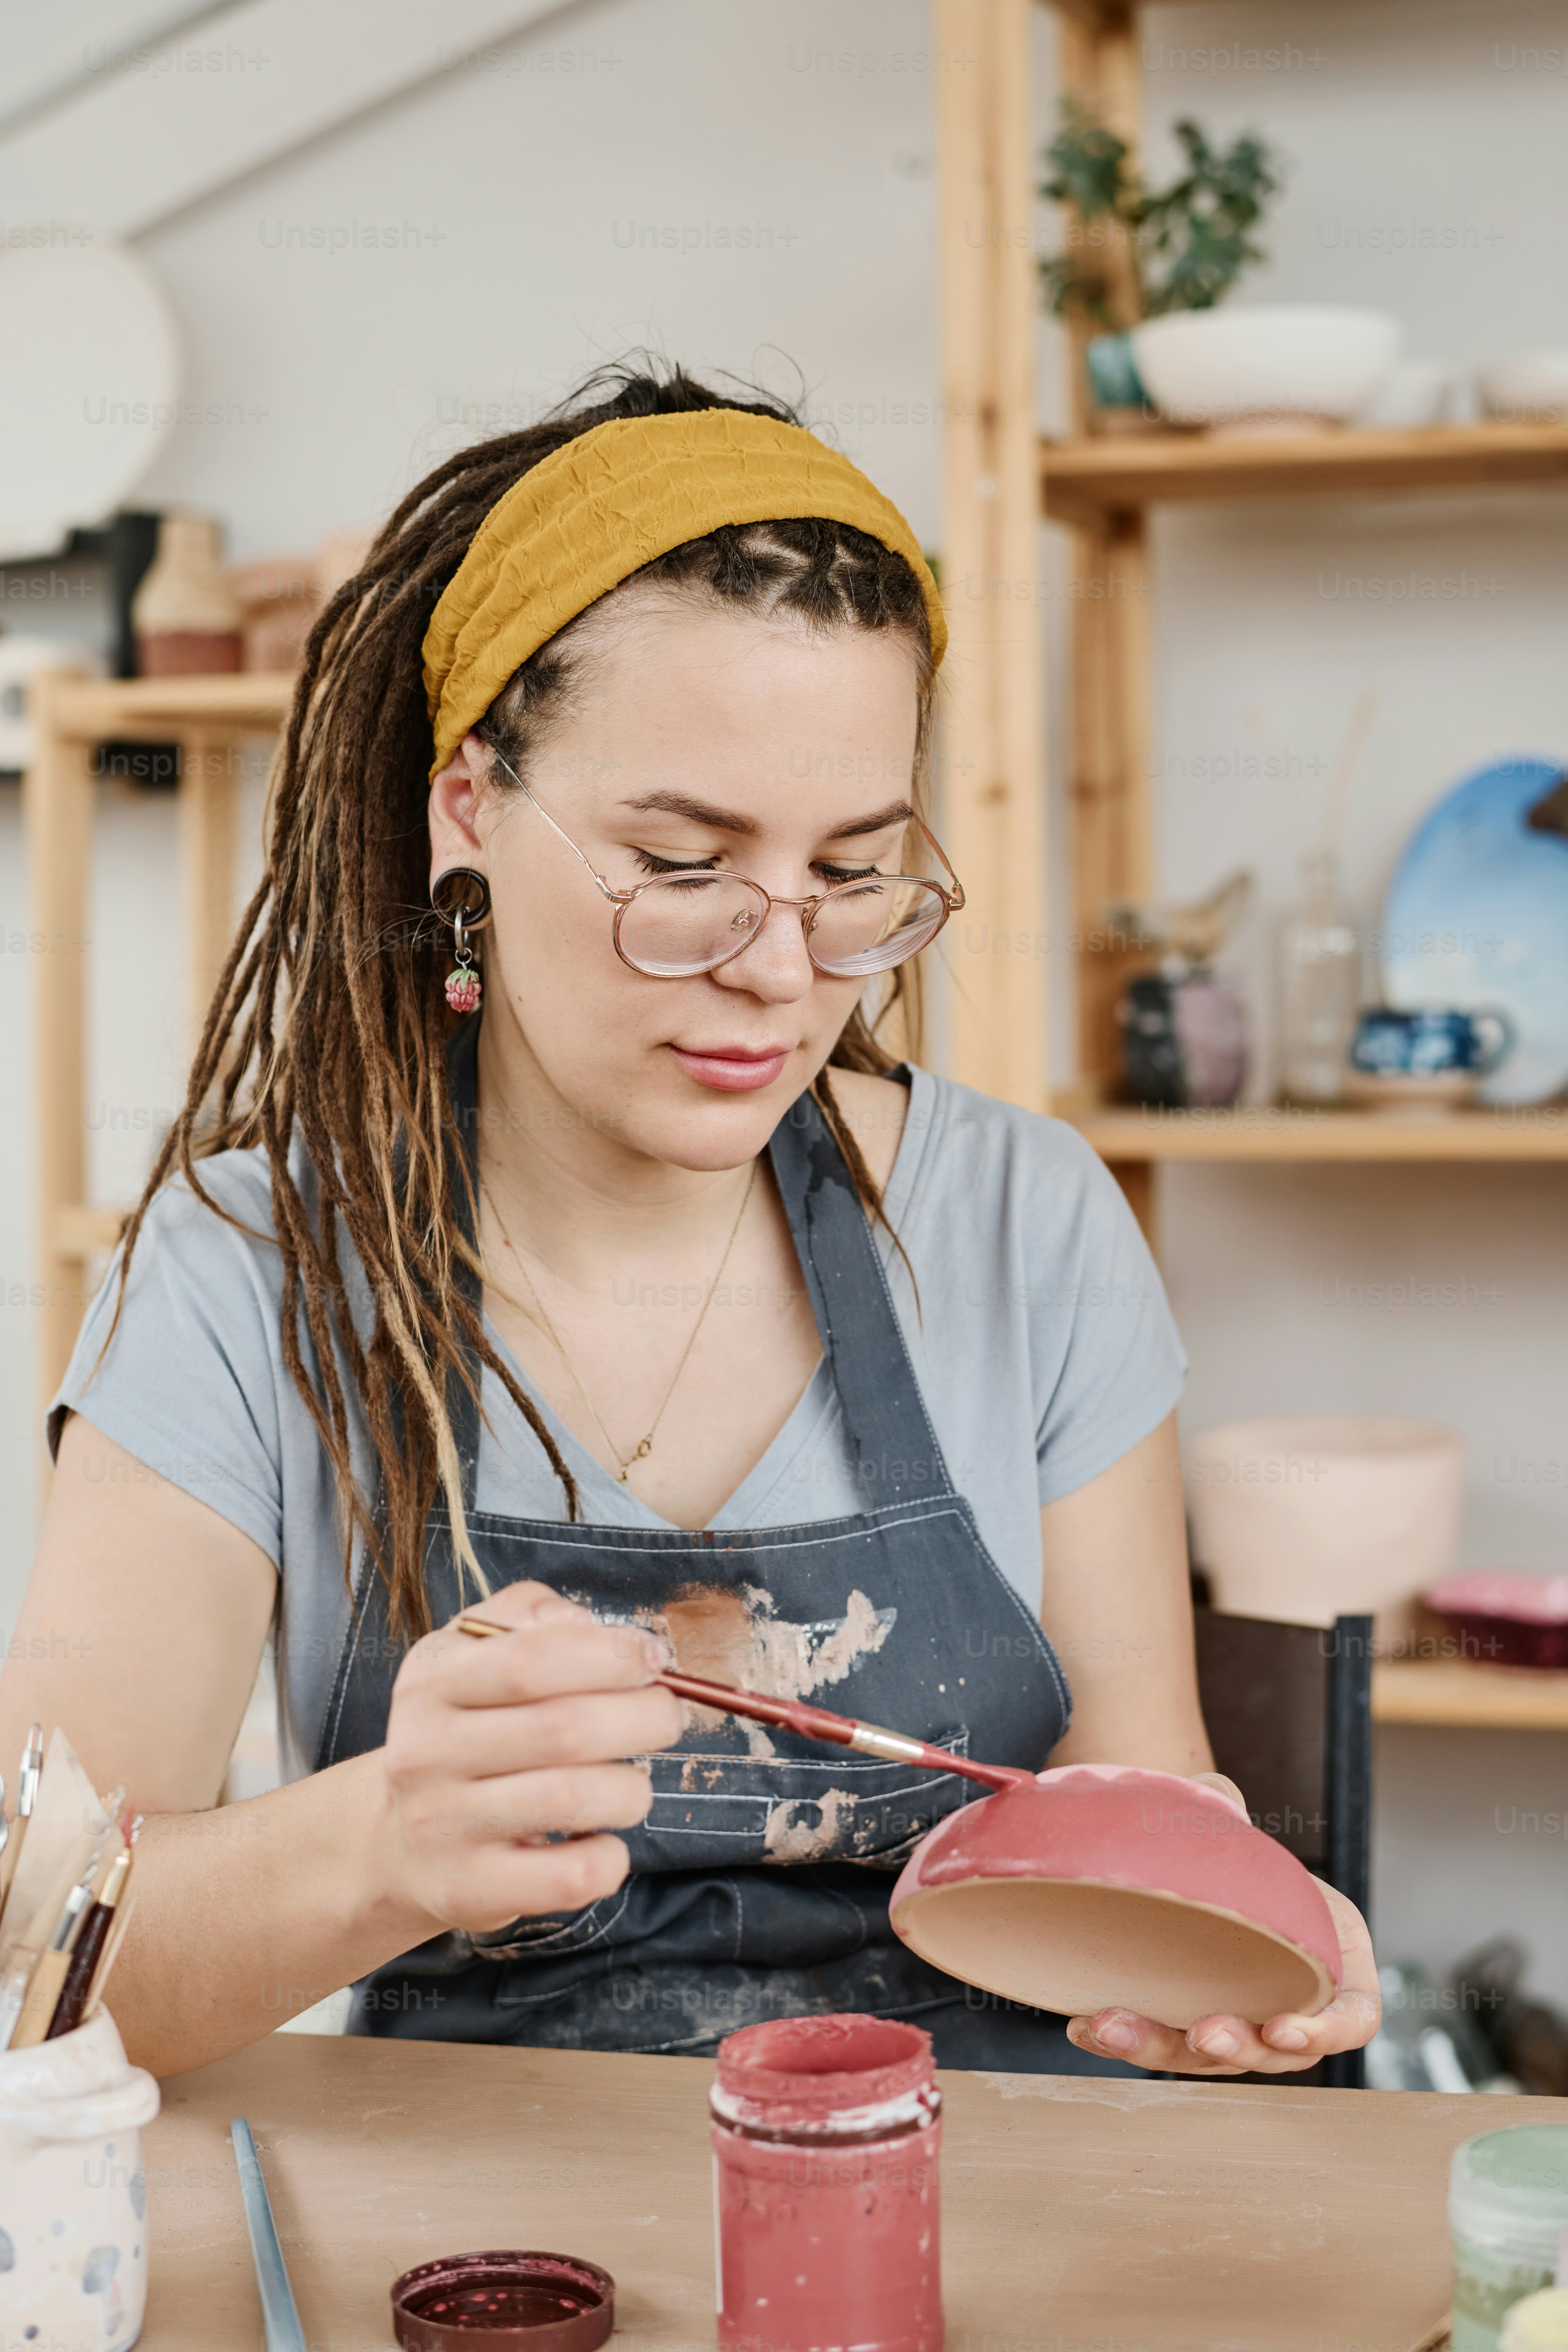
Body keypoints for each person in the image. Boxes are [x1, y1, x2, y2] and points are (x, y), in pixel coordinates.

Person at [1, 366, 1378, 2080]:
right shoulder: (239, 1274)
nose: (781, 969)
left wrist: (1226, 1965)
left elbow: (1148, 1818)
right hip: (489, 2266)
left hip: (1002, 2206)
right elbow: (32, 1963)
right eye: (681, 862)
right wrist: (375, 1847)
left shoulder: (1028, 1223)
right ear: (471, 811)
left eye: (853, 871)